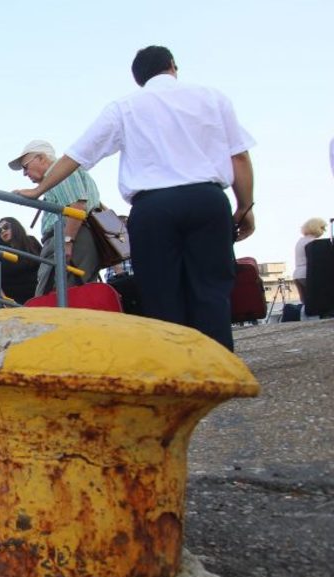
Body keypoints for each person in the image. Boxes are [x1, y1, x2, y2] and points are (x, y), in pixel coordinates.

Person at [17, 46, 255, 350]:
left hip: (153, 207)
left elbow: (76, 154)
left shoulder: (124, 107)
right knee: (211, 287)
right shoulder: (212, 98)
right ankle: (219, 363)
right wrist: (245, 206)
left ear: (138, 78)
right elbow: (240, 158)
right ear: (172, 65)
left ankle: (177, 367)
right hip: (205, 198)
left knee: (160, 290)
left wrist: (38, 190)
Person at [8, 139, 102, 296]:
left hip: (68, 237)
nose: (24, 173)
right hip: (80, 236)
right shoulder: (68, 173)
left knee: (53, 297)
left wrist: (67, 241)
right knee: (77, 294)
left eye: (25, 167)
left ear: (41, 158)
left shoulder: (59, 171)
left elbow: (77, 206)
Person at [0, 216, 41, 304]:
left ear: (15, 226)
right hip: (11, 302)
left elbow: (45, 266)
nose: (3, 231)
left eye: (6, 227)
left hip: (38, 297)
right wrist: (5, 302)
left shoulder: (31, 242)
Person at [294, 217, 327, 306]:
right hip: (308, 273)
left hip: (297, 274)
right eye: (323, 228)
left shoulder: (301, 241)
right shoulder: (313, 242)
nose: (324, 231)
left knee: (305, 301)